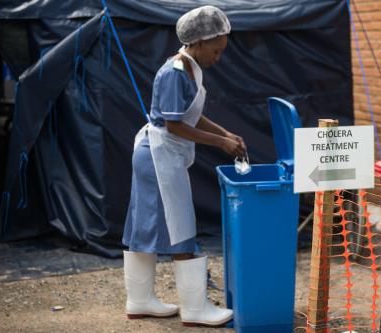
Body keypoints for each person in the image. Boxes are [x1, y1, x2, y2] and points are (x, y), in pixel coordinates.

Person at [121, 5, 246, 328]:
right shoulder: (175, 71)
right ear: (198, 42)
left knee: (145, 225)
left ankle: (140, 301)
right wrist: (220, 143)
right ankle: (194, 309)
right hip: (158, 156)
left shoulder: (188, 67)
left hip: (159, 154)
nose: (218, 58)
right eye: (216, 51)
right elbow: (175, 126)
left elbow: (188, 113)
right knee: (180, 226)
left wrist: (224, 132)